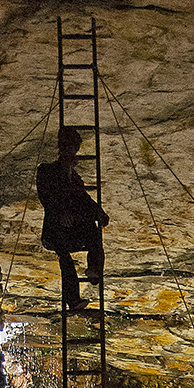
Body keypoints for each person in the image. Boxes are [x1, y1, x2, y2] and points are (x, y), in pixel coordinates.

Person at [36, 126, 110, 312]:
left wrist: (99, 213)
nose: (72, 154)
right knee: (64, 256)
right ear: (61, 150)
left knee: (94, 232)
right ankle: (73, 299)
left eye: (74, 150)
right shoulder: (46, 170)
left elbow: (84, 200)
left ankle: (94, 268)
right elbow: (46, 198)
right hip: (55, 230)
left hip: (71, 230)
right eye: (68, 149)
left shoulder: (74, 178)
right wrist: (60, 215)